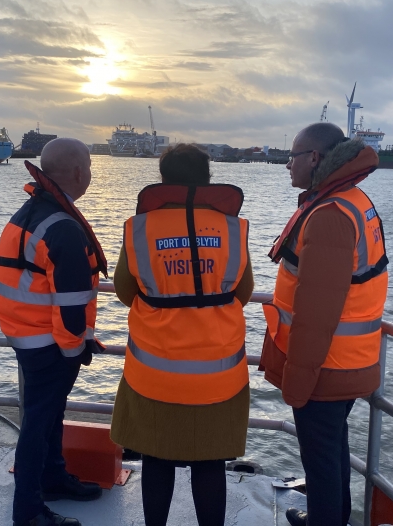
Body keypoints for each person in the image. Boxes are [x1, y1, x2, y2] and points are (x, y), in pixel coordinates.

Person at [110, 143, 254, 526]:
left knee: (156, 459)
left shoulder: (139, 228)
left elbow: (125, 292)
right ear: (207, 180)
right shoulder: (233, 229)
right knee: (210, 462)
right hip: (220, 374)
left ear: (163, 179)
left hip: (154, 374)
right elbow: (243, 292)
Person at [260, 124, 389, 526]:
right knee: (331, 450)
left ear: (314, 158)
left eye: (292, 156)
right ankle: (330, 516)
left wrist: (299, 380)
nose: (287, 165)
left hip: (326, 365)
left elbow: (316, 313)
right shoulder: (352, 201)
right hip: (345, 360)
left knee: (320, 458)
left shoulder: (331, 215)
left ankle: (325, 520)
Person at [0, 138, 108, 526]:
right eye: (89, 166)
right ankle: (28, 511)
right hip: (50, 344)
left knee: (48, 413)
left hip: (27, 335)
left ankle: (54, 477)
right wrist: (77, 348)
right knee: (39, 422)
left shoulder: (30, 213)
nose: (90, 173)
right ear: (78, 172)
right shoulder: (62, 227)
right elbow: (72, 302)